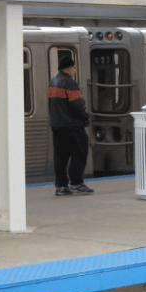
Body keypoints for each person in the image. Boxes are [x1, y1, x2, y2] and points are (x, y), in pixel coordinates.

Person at [48, 56, 93, 196]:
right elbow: (77, 104)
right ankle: (77, 183)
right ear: (68, 69)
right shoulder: (69, 82)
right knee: (80, 151)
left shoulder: (53, 81)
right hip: (72, 125)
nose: (75, 70)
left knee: (60, 157)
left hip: (57, 125)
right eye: (74, 68)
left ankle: (61, 187)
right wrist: (85, 116)